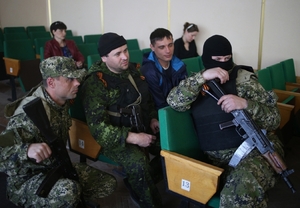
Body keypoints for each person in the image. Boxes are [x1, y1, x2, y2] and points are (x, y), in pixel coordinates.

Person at [167, 35, 284, 208]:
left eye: (227, 59)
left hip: (254, 153)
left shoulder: (244, 80)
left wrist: (246, 104)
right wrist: (203, 76)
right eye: (217, 60)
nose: (223, 64)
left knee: (237, 197)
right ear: (207, 60)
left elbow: (275, 119)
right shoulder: (197, 82)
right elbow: (174, 102)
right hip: (214, 161)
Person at [0, 56, 117, 207]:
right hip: (26, 181)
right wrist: (26, 150)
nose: (77, 83)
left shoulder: (61, 99)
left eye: (76, 78)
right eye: (70, 79)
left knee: (107, 183)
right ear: (51, 82)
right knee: (69, 191)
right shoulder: (28, 116)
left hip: (54, 167)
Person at [80, 32, 163, 208]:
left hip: (141, 125)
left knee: (171, 149)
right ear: (104, 58)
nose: (125, 57)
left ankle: (137, 182)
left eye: (125, 50)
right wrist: (133, 138)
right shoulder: (95, 83)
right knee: (139, 164)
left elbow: (146, 99)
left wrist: (153, 118)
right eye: (117, 54)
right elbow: (99, 129)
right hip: (114, 137)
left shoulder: (131, 71)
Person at [140, 28, 187, 110]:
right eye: (162, 47)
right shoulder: (149, 71)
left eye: (170, 45)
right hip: (163, 113)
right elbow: (160, 105)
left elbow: (186, 93)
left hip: (182, 107)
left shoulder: (179, 64)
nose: (168, 51)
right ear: (152, 47)